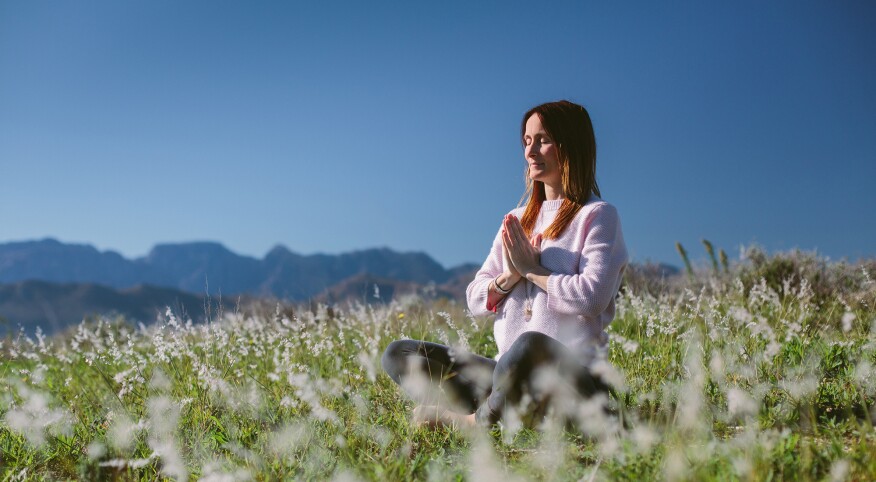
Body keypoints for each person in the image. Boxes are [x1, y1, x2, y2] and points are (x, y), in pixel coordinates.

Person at [381, 100, 628, 428]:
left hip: (571, 380)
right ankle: (508, 410)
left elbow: (593, 297)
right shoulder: (516, 220)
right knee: (399, 353)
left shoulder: (597, 216)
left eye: (542, 140)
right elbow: (475, 299)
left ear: (570, 144)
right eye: (527, 141)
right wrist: (509, 276)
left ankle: (472, 424)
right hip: (505, 375)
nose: (531, 151)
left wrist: (534, 271)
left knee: (530, 344)